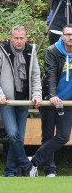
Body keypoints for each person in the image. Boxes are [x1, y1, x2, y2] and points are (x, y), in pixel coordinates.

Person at [0, 25, 42, 177]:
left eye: (21, 38)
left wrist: (37, 94)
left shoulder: (31, 50)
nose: (19, 41)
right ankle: (27, 165)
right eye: (16, 38)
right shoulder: (0, 50)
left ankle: (10, 172)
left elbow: (36, 76)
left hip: (23, 101)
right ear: (11, 38)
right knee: (12, 134)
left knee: (19, 137)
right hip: (6, 102)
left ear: (26, 37)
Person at [30, 24, 72, 177]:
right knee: (47, 135)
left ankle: (33, 161)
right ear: (62, 36)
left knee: (63, 136)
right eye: (68, 34)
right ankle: (50, 170)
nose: (71, 37)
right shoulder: (52, 50)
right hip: (49, 99)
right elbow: (51, 74)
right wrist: (52, 95)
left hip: (67, 102)